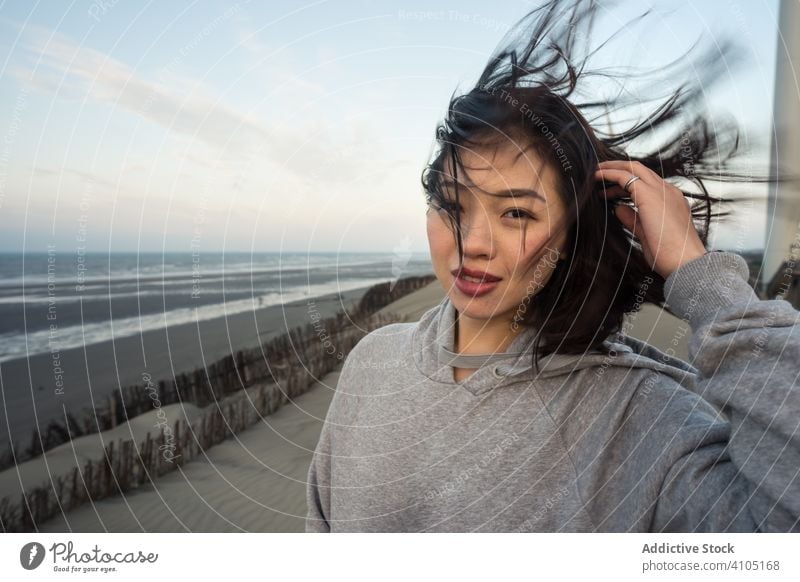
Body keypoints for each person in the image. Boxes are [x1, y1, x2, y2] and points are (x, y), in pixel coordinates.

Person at [305, 0, 800, 532]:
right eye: (452, 204)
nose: (472, 243)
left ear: (571, 235)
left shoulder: (639, 419)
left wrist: (700, 278)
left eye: (516, 213)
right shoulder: (372, 362)